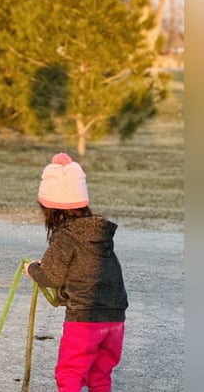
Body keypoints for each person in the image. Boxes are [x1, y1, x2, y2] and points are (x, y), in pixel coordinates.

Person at [23, 153, 128, 392]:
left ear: (51, 209)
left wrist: (32, 269)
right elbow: (83, 266)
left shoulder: (65, 235)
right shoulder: (98, 233)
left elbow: (50, 276)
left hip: (85, 319)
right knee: (99, 375)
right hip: (115, 318)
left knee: (70, 373)